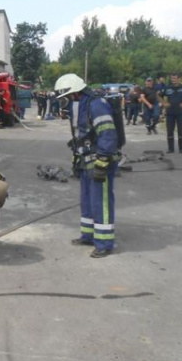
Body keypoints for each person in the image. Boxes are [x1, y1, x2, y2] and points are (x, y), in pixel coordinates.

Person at [55, 73, 119, 258]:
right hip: (86, 161)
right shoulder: (81, 105)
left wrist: (103, 161)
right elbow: (83, 134)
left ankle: (105, 243)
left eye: (66, 96)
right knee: (87, 201)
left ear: (74, 93)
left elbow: (107, 134)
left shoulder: (96, 105)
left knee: (101, 203)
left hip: (100, 161)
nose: (64, 101)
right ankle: (88, 236)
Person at [159, 73, 182, 154]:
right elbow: (158, 96)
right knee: (170, 131)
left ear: (179, 79)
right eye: (172, 78)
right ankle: (171, 149)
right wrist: (164, 103)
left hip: (181, 113)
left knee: (181, 131)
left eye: (175, 78)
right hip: (170, 113)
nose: (173, 80)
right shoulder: (167, 88)